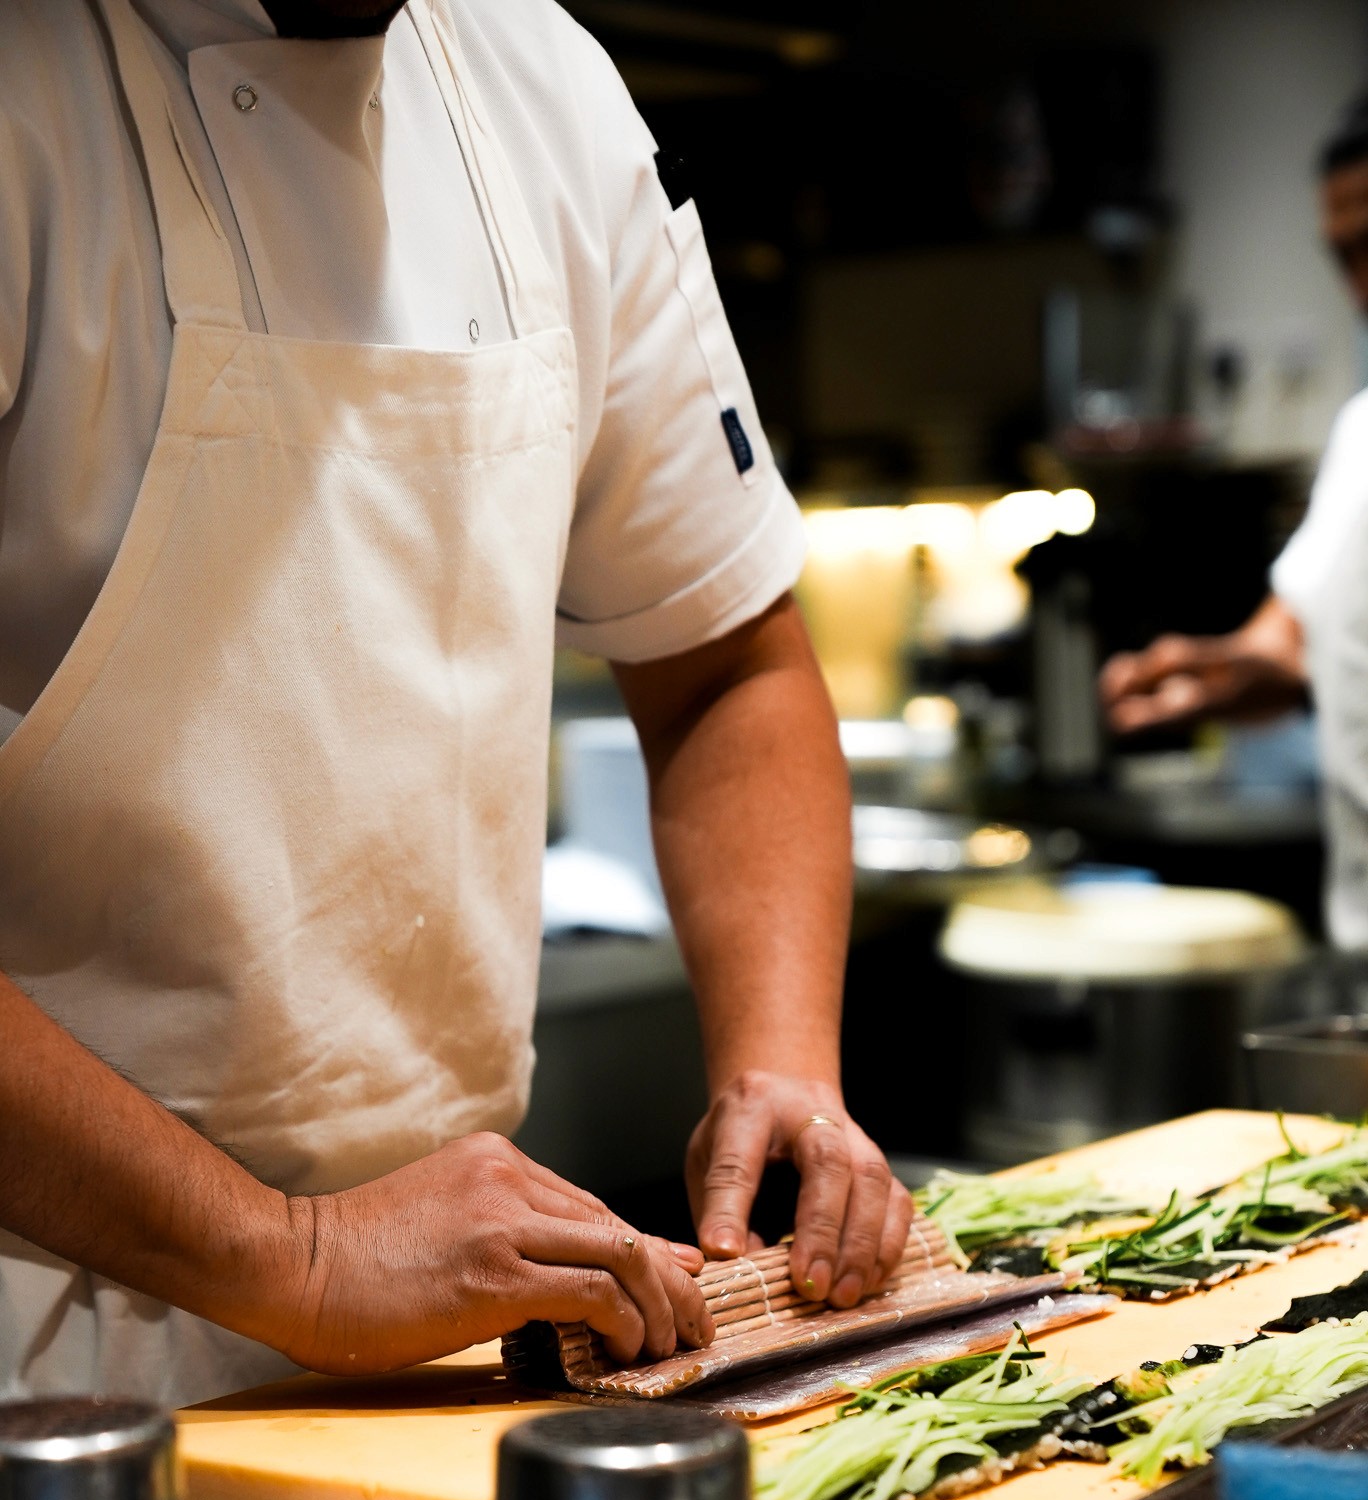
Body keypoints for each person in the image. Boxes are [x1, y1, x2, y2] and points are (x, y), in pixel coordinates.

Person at [0, 0, 912, 1403]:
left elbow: (724, 660)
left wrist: (784, 1064)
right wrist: (293, 1259)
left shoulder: (537, 85)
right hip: (38, 1334)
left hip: (456, 1328)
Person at [1099, 89, 1368, 949]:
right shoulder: (1364, 437)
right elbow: (1290, 641)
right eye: (1345, 257)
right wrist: (1213, 673)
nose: (1360, 286)